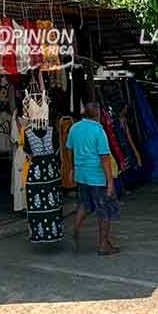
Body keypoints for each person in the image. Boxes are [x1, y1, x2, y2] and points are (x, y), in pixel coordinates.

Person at [67, 102, 120, 255]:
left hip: (81, 175)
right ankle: (103, 245)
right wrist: (110, 182)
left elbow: (69, 150)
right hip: (96, 176)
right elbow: (104, 157)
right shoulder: (98, 130)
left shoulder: (74, 128)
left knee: (84, 204)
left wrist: (72, 168)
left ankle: (75, 229)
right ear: (97, 115)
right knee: (104, 210)